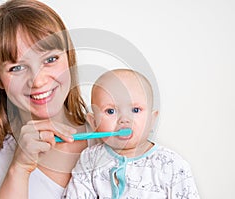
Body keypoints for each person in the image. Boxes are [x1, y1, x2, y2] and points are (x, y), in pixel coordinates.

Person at [0, 0, 90, 198]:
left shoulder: (110, 134)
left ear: (69, 58)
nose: (38, 81)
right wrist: (19, 168)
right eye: (17, 68)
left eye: (50, 59)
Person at [63, 69, 200, 198]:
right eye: (110, 111)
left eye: (135, 110)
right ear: (93, 122)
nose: (124, 120)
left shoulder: (171, 165)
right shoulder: (90, 159)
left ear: (152, 120)